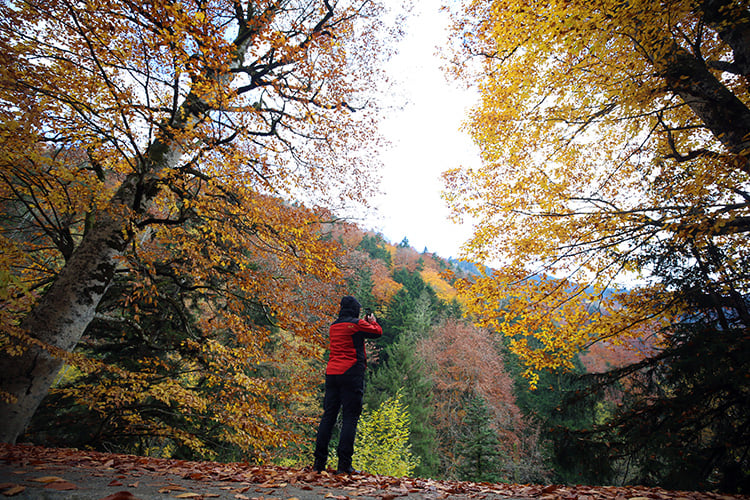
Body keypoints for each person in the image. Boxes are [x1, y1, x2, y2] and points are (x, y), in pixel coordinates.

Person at [313, 295, 383, 474]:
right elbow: (377, 333)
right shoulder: (357, 324)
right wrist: (373, 322)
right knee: (350, 418)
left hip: (332, 374)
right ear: (355, 310)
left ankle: (319, 464)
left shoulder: (333, 326)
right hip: (351, 373)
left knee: (328, 417)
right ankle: (344, 465)